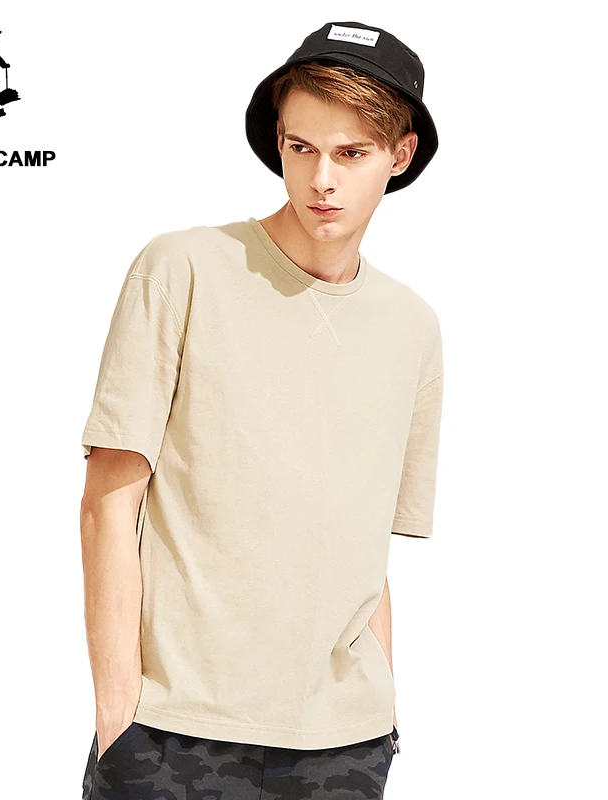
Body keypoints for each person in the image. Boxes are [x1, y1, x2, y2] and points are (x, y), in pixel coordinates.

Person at [80, 20, 443, 800]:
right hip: (173, 736)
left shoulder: (411, 327)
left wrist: (383, 718)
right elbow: (108, 501)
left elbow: (366, 551)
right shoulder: (183, 269)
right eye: (301, 147)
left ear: (400, 154)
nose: (321, 180)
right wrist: (118, 721)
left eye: (352, 153)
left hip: (341, 748)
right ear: (278, 141)